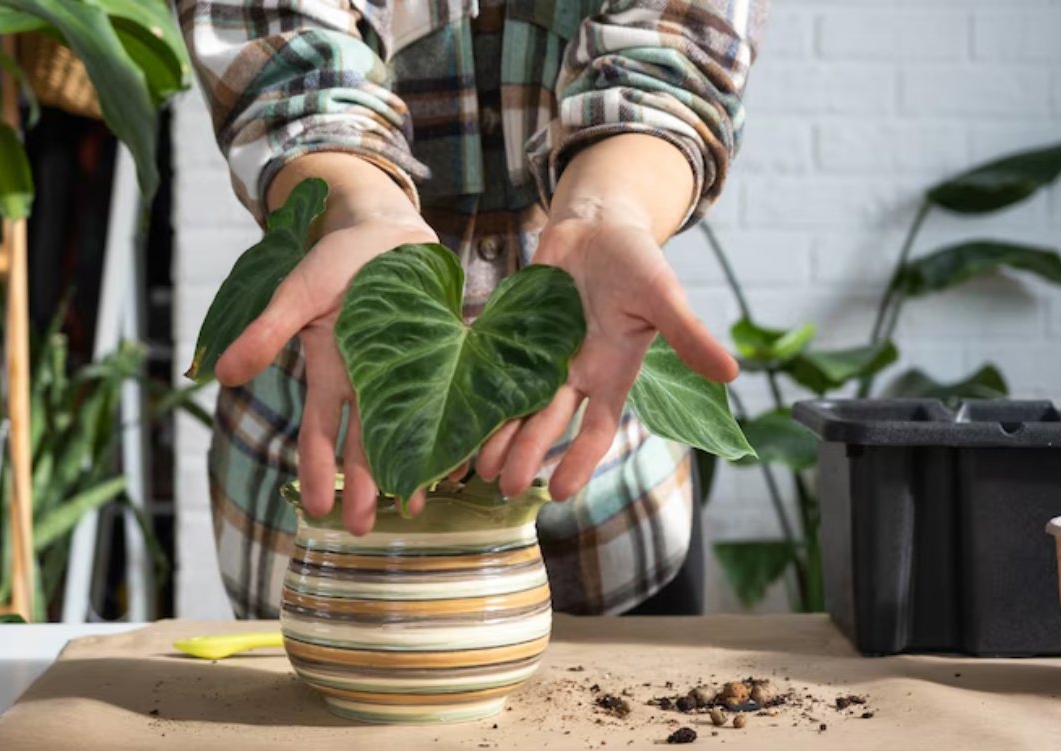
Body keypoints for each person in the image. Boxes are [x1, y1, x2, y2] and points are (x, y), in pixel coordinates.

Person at [178, 0, 765, 619]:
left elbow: (675, 54)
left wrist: (605, 208)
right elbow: (284, 63)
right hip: (330, 489)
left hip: (609, 495)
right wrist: (364, 212)